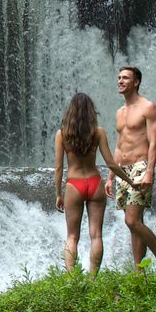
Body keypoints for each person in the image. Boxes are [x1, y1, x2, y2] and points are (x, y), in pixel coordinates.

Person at [110, 65, 156, 271]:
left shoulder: (148, 107)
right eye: (119, 77)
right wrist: (110, 176)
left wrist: (149, 171)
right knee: (134, 225)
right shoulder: (120, 112)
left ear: (136, 82)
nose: (120, 81)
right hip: (122, 170)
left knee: (132, 221)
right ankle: (139, 271)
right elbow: (118, 146)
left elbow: (154, 142)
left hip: (140, 167)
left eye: (125, 78)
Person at [53, 91, 119, 274]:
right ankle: (92, 279)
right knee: (96, 234)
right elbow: (111, 163)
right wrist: (129, 180)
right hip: (95, 181)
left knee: (72, 236)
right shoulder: (98, 132)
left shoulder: (62, 134)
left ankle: (72, 279)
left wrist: (58, 193)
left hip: (74, 184)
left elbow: (58, 167)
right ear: (91, 111)